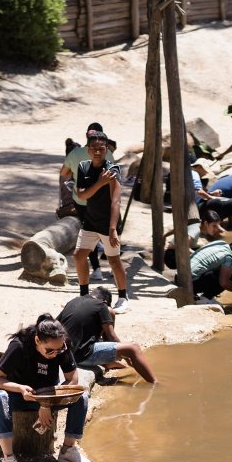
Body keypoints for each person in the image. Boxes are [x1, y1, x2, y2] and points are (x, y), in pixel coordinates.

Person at [0, 314, 92, 462]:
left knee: (81, 397)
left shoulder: (62, 347)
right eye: (50, 350)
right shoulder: (19, 345)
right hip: (19, 395)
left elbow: (72, 379)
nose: (55, 354)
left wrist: (46, 403)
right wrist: (20, 388)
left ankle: (68, 449)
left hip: (48, 395)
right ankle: (8, 458)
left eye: (59, 350)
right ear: (37, 340)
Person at [73, 132, 130, 313]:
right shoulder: (83, 167)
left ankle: (123, 296)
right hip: (90, 220)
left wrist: (113, 229)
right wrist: (99, 183)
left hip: (108, 223)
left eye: (101, 148)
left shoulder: (113, 170)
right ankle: (84, 295)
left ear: (107, 149)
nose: (98, 152)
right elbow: (82, 195)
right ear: (88, 150)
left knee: (113, 260)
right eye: (94, 148)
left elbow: (116, 201)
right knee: (79, 256)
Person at [57, 288, 156, 383]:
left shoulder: (74, 301)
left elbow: (55, 324)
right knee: (133, 348)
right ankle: (155, 383)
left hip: (66, 353)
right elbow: (112, 337)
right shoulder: (101, 306)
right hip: (80, 356)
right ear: (105, 301)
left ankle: (109, 362)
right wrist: (127, 356)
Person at [61, 123, 116, 281]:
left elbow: (64, 173)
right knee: (107, 232)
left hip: (82, 201)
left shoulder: (75, 153)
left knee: (88, 232)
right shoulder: (108, 154)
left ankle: (96, 269)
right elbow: (115, 176)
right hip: (103, 201)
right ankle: (113, 266)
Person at [186, 238, 232, 302]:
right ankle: (206, 298)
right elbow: (224, 283)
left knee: (226, 275)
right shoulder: (230, 257)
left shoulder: (220, 243)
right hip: (190, 285)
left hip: (181, 276)